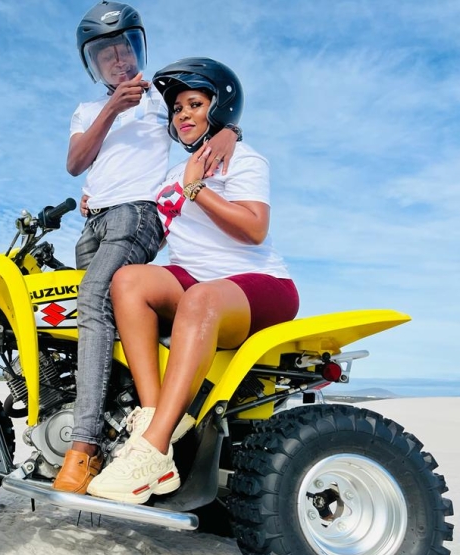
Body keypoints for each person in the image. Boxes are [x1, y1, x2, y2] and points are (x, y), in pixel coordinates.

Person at [86, 58, 300, 504]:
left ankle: (152, 447)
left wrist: (197, 189)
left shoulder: (242, 156)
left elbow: (254, 228)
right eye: (177, 108)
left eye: (195, 104)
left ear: (219, 109)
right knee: (128, 281)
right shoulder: (170, 177)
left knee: (200, 298)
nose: (182, 114)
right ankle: (152, 424)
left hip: (256, 284)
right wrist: (97, 200)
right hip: (195, 280)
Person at [52, 3, 241, 495]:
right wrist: (114, 107)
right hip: (92, 224)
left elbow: (206, 110)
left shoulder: (161, 97)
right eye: (105, 53)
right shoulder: (89, 109)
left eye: (125, 48)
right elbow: (76, 163)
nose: (118, 60)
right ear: (92, 63)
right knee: (97, 321)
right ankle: (128, 435)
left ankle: (84, 447)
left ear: (139, 48)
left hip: (137, 216)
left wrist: (230, 131)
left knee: (94, 300)